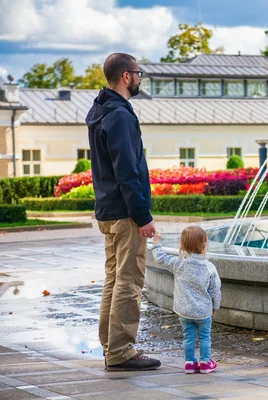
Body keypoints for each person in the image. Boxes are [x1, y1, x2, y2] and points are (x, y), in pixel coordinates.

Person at [86, 52, 160, 371]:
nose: (140, 78)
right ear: (126, 77)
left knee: (114, 279)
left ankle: (110, 346)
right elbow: (126, 170)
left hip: (107, 210)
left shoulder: (100, 110)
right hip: (125, 213)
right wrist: (142, 216)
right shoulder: (120, 115)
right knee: (129, 281)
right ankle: (120, 352)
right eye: (138, 73)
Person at [151, 226, 221, 374]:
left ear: (182, 245)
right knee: (204, 337)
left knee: (188, 337)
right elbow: (215, 290)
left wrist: (156, 242)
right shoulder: (209, 267)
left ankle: (189, 363)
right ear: (204, 245)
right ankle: (205, 363)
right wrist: (216, 305)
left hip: (183, 311)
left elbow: (160, 258)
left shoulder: (179, 264)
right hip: (203, 312)